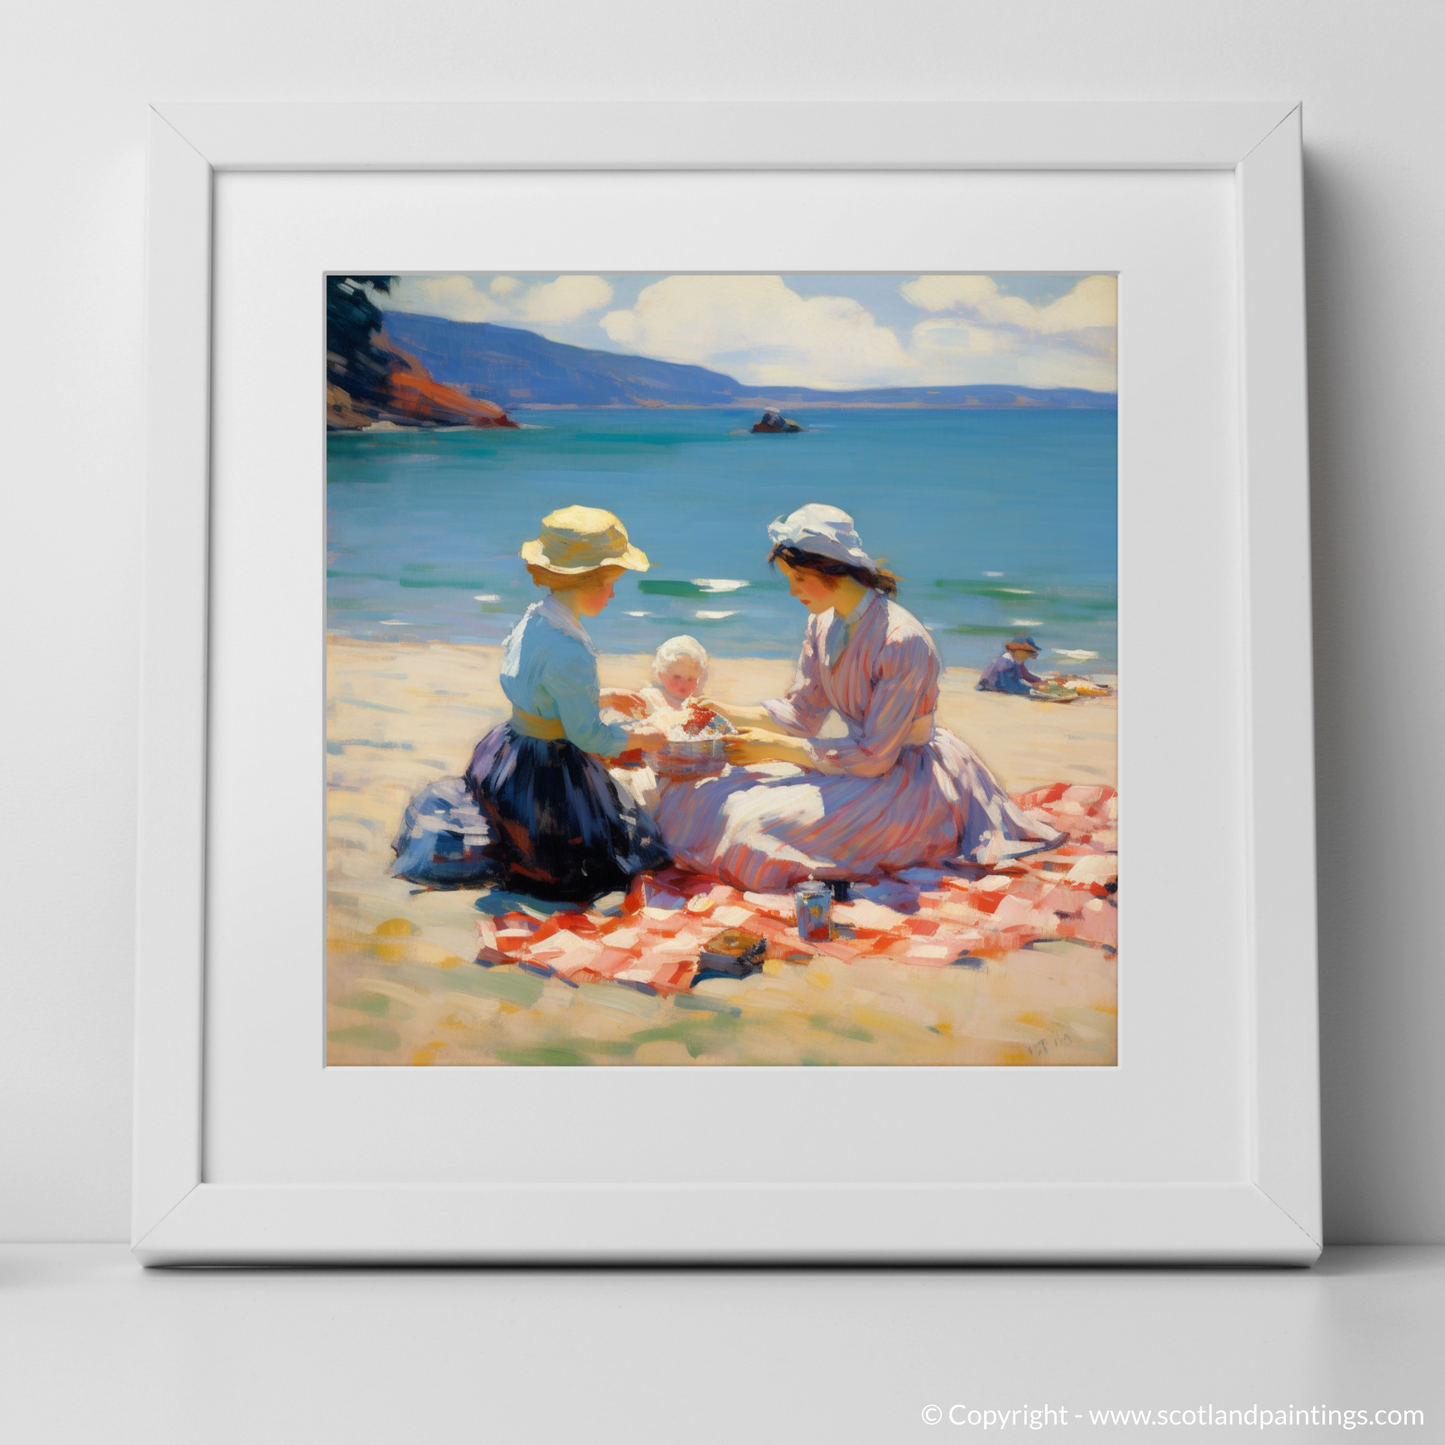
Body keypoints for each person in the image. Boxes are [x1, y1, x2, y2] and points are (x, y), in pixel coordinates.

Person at [653, 504, 1065, 892]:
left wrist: (775, 747)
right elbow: (802, 715)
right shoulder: (821, 626)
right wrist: (728, 712)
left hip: (910, 778)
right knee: (707, 796)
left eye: (799, 579)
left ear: (833, 569)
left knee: (752, 828)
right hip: (854, 764)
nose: (793, 592)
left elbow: (876, 755)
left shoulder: (901, 640)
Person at [391, 505, 671, 900]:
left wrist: (603, 696)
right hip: (548, 770)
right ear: (582, 581)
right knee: (604, 849)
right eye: (607, 584)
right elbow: (588, 736)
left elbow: (534, 689)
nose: (612, 595)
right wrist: (642, 738)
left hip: (509, 751)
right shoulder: (573, 650)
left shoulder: (535, 620)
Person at [639, 635, 709, 713]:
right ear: (661, 674)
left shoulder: (698, 701)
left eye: (691, 679)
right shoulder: (653, 698)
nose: (684, 683)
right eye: (677, 677)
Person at [977, 635, 1045, 695]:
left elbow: (1024, 674)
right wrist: (1032, 689)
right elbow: (1009, 686)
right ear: (1017, 650)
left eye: (1030, 653)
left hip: (996, 687)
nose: (1028, 655)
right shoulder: (1006, 663)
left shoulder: (1014, 661)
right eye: (1027, 652)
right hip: (990, 688)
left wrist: (1039, 681)